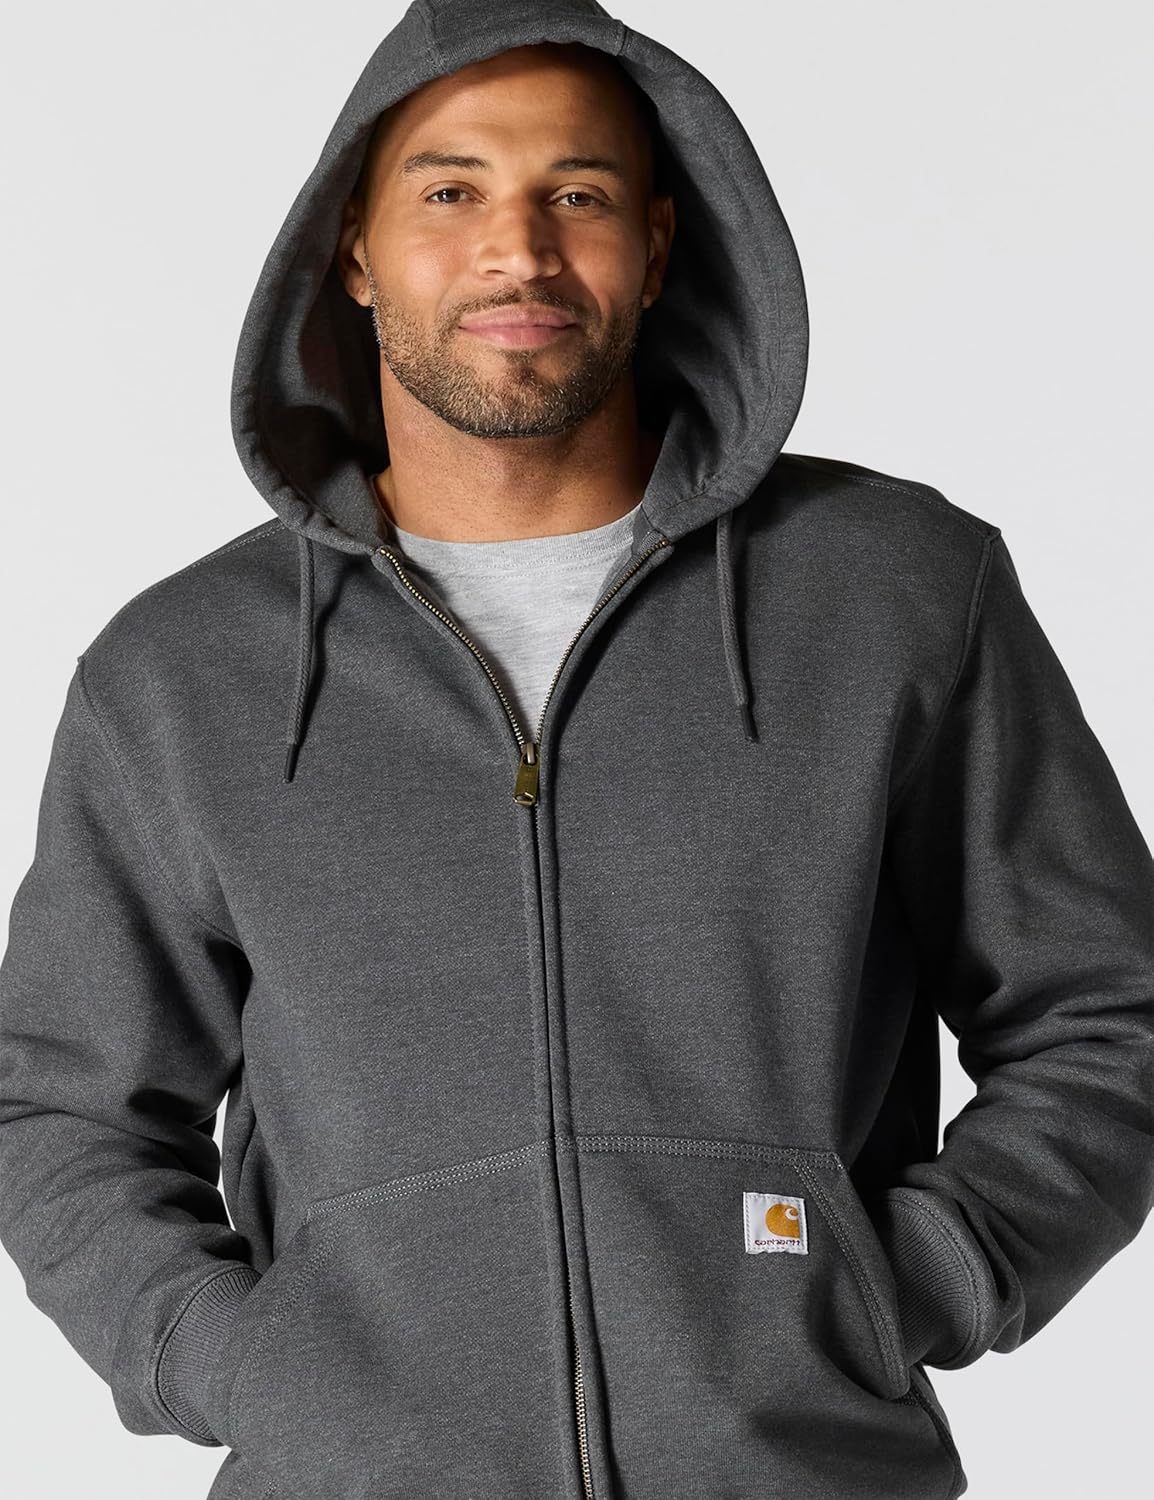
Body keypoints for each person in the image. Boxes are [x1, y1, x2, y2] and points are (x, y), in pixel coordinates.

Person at [1, 1, 1151, 1497]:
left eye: (580, 194)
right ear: (354, 250)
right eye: (449, 190)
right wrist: (238, 1365)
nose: (519, 251)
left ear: (658, 245)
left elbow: (1107, 1015)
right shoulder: (180, 676)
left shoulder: (891, 593)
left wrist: (908, 1284)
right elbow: (65, 1108)